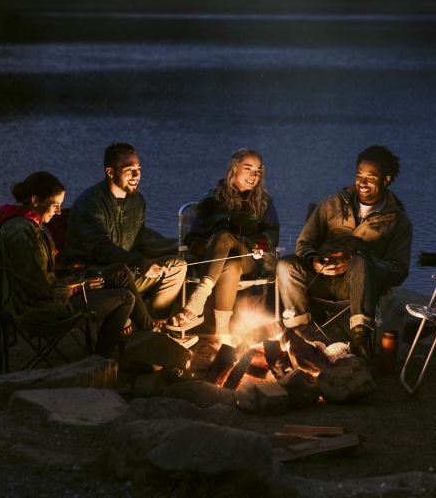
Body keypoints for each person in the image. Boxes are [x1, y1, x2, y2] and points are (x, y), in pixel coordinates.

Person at [277, 145, 413, 362]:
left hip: (356, 290)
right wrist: (313, 260)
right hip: (318, 280)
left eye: (370, 177)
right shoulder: (331, 204)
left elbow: (399, 270)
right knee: (285, 265)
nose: (362, 182)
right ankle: (299, 334)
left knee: (360, 261)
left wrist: (357, 263)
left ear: (386, 179)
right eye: (359, 175)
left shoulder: (397, 220)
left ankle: (360, 343)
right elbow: (304, 243)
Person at [0, 171, 136, 358]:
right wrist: (79, 286)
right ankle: (100, 359)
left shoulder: (22, 224)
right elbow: (43, 289)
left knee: (118, 271)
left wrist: (75, 275)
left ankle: (147, 330)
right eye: (55, 205)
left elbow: (41, 278)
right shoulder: (23, 233)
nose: (59, 212)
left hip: (37, 301)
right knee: (126, 298)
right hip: (40, 309)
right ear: (35, 201)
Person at [64, 142, 186, 326]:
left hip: (128, 269)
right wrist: (139, 262)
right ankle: (145, 327)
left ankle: (155, 323)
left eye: (139, 169)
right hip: (96, 275)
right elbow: (101, 249)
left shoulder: (137, 201)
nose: (137, 175)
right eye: (129, 169)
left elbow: (138, 244)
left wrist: (170, 250)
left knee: (177, 266)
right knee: (123, 274)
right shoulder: (91, 203)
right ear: (110, 172)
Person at [169, 148, 280, 339]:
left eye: (258, 171)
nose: (254, 176)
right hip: (217, 262)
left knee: (224, 236)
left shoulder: (264, 202)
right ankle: (222, 333)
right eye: (248, 169)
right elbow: (192, 238)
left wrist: (258, 245)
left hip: (250, 260)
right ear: (234, 168)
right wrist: (207, 246)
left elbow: (271, 234)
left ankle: (198, 301)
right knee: (231, 264)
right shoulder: (210, 200)